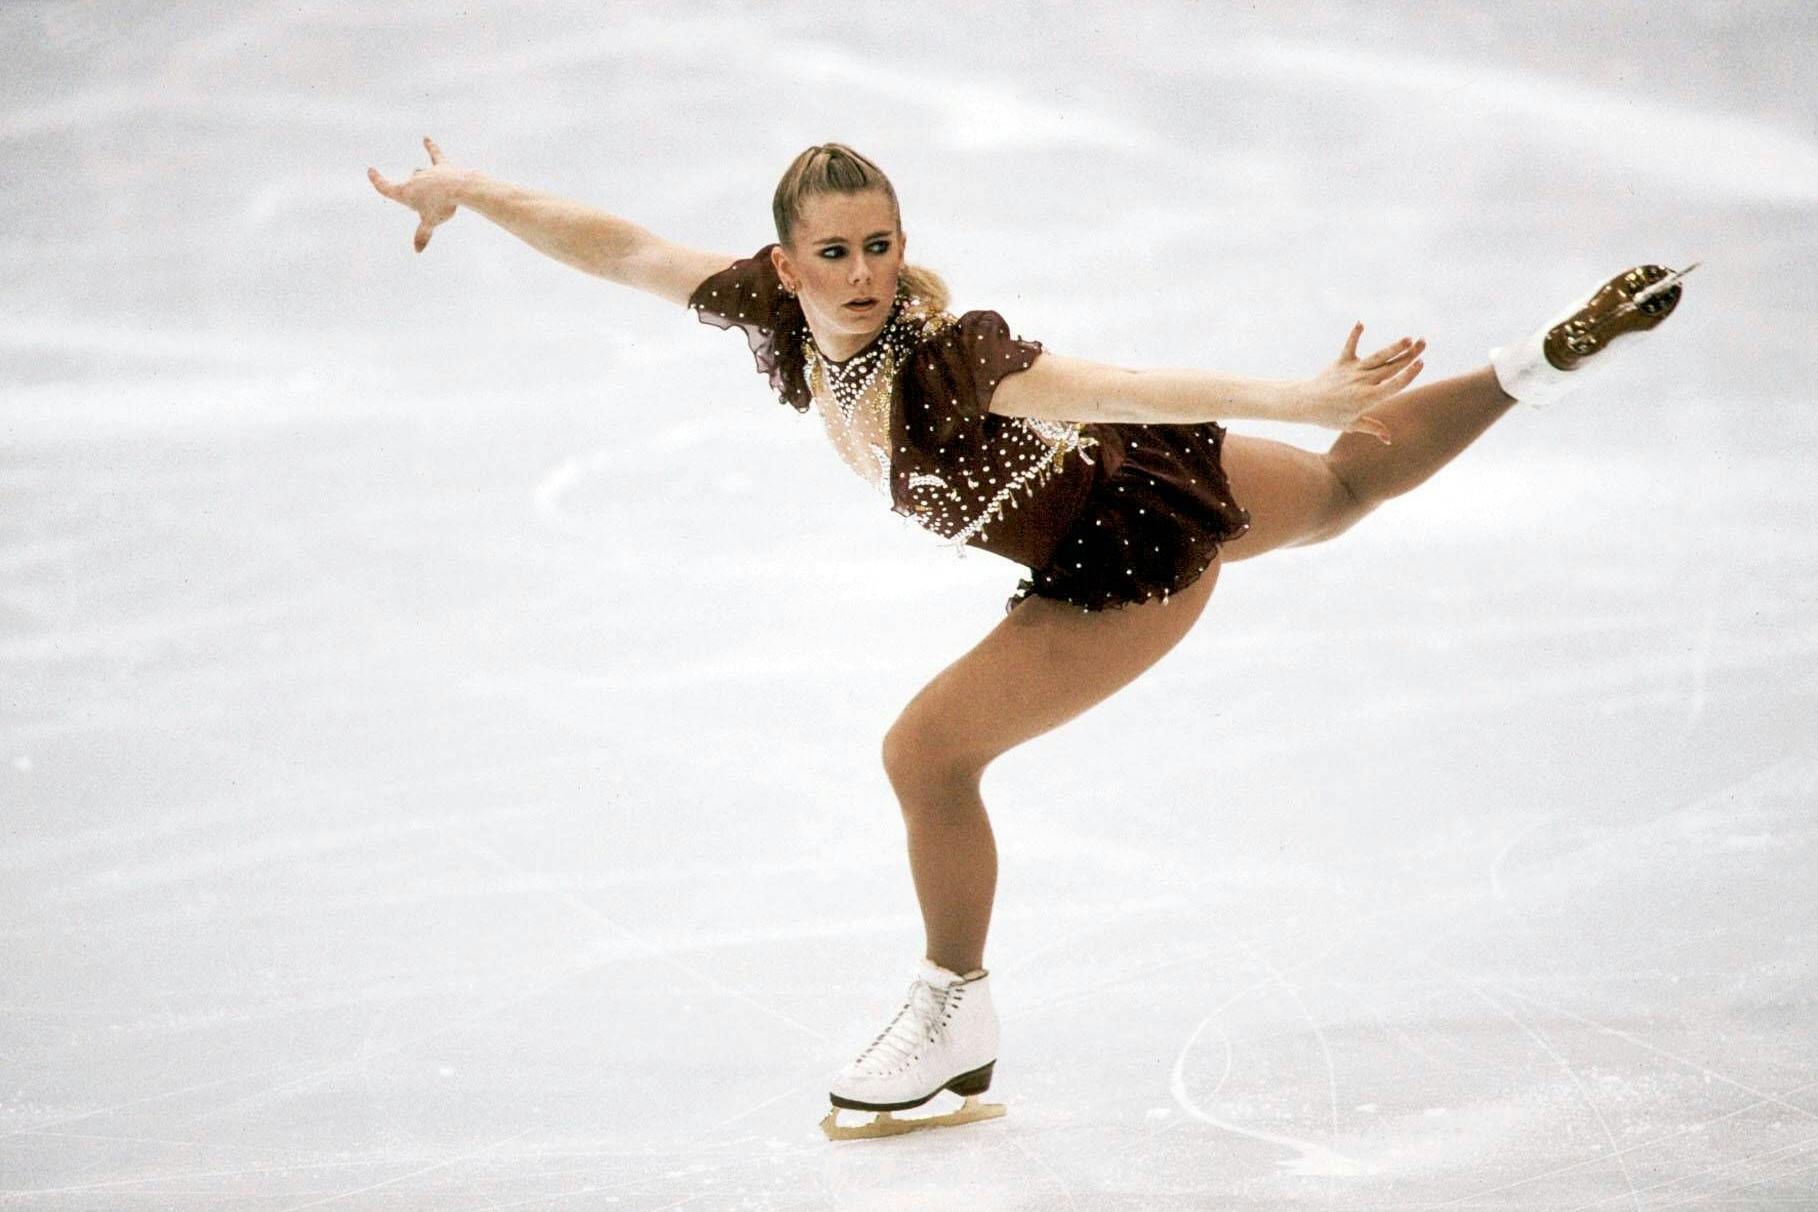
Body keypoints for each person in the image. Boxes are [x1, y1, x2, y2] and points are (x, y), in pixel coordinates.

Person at [368, 137, 1691, 1139]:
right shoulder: (773, 317)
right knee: (1341, 491)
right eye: (832, 253)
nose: (863, 272)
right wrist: (473, 190)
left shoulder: (943, 359)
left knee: (923, 756)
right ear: (783, 266)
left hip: (1117, 547)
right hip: (1132, 477)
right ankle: (1541, 362)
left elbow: (1110, 383)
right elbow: (619, 246)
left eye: (878, 244)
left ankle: (953, 1009)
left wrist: (1293, 390)